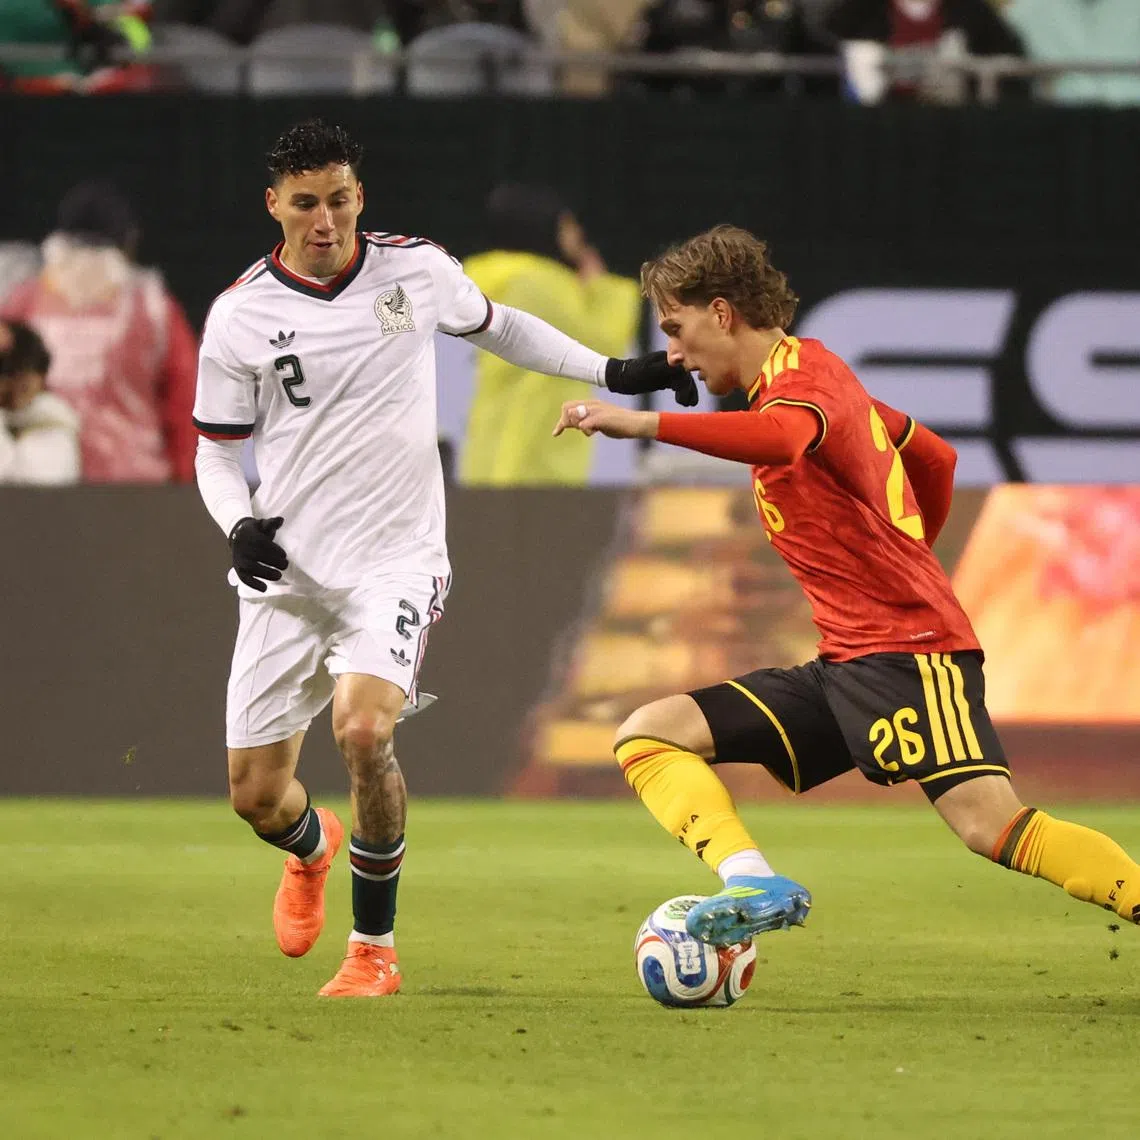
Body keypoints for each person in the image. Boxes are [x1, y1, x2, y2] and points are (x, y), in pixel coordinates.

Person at [192, 118, 696, 998]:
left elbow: (504, 330)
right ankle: (311, 854)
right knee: (256, 796)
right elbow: (215, 450)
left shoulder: (413, 271)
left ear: (359, 195)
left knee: (363, 730)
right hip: (288, 575)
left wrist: (613, 374)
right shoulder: (241, 315)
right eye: (305, 203)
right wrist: (239, 525)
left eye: (339, 198)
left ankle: (372, 951)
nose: (325, 219)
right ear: (273, 205)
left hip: (395, 557)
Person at [552, 223, 1140, 946]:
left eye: (677, 328)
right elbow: (935, 456)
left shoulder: (802, 385)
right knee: (649, 735)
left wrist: (643, 423)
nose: (673, 353)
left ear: (723, 313)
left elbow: (782, 439)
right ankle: (753, 881)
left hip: (911, 655)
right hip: (847, 663)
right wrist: (906, 547)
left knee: (992, 827)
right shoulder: (813, 378)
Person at [0, 181, 198, 483]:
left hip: (40, 496)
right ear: (127, 244)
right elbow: (188, 407)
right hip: (136, 494)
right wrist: (189, 489)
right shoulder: (156, 311)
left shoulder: (22, 304)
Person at [460, 184, 641, 486]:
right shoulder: (541, 285)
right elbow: (606, 341)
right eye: (567, 224)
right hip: (536, 447)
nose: (577, 234)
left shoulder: (494, 278)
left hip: (495, 444)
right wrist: (600, 286)